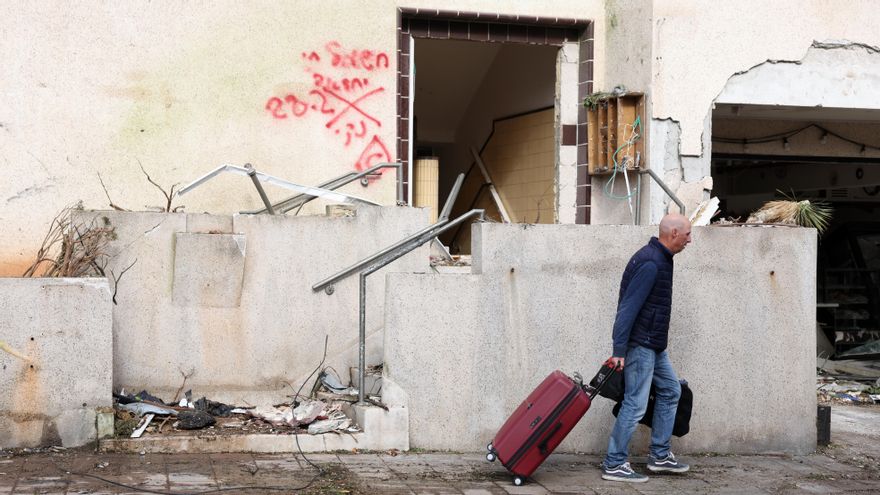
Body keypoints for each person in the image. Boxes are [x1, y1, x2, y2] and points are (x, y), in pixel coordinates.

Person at [601, 213, 693, 483]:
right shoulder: (651, 263)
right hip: (641, 344)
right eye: (687, 234)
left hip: (653, 343)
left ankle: (660, 455)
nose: (691, 240)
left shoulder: (661, 259)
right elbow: (627, 309)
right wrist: (619, 350)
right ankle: (614, 462)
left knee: (670, 389)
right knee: (635, 403)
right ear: (673, 233)